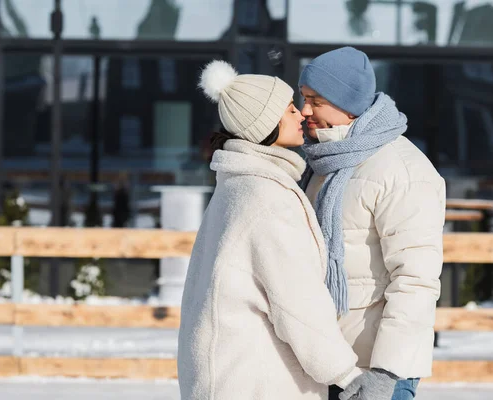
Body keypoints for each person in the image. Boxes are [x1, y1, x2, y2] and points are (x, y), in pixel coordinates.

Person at [177, 60, 362, 400]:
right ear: (266, 123)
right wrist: (346, 374)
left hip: (229, 376)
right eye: (290, 108)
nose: (302, 114)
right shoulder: (266, 197)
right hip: (256, 382)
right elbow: (297, 303)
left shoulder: (238, 186)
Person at [297, 47, 446, 400]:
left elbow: (416, 280)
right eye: (303, 99)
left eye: (315, 100)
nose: (304, 111)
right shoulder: (324, 163)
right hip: (329, 364)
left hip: (374, 372)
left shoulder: (403, 171)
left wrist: (384, 372)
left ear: (345, 103)